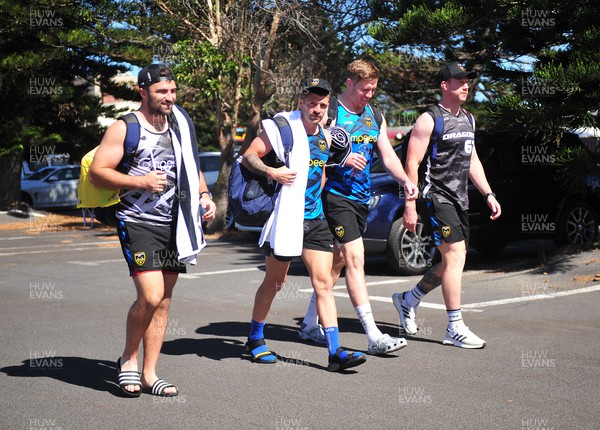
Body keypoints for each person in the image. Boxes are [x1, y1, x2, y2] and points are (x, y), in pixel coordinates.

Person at [89, 63, 216, 396]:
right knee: (150, 295)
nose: (169, 98)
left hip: (176, 224)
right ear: (143, 92)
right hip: (138, 221)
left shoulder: (180, 126)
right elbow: (98, 173)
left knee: (163, 302)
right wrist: (139, 181)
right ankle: (128, 361)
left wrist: (204, 195)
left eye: (173, 91)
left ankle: (150, 372)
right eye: (162, 92)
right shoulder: (125, 127)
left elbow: (193, 167)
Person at [244, 78, 366, 372]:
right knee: (275, 282)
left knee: (324, 283)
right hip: (288, 217)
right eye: (312, 103)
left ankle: (335, 352)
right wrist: (272, 171)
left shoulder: (325, 137)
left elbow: (321, 172)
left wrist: (346, 162)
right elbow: (249, 156)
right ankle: (255, 337)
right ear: (301, 103)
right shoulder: (283, 129)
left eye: (322, 105)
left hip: (314, 219)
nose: (317, 109)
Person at [299, 60, 419, 355]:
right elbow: (310, 151)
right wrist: (341, 160)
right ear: (350, 83)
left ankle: (307, 324)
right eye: (364, 89)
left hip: (361, 199)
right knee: (356, 259)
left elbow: (388, 156)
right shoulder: (332, 112)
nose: (368, 95)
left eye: (373, 90)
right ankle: (373, 335)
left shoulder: (374, 115)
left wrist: (405, 180)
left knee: (338, 264)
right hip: (334, 196)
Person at [392, 61, 501, 349]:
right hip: (434, 196)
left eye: (468, 80)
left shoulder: (469, 119)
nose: (466, 85)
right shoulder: (429, 119)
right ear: (445, 85)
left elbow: (472, 160)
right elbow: (411, 164)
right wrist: (410, 205)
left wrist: (488, 193)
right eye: (459, 80)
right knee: (454, 257)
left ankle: (408, 299)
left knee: (450, 261)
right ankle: (454, 327)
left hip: (460, 199)